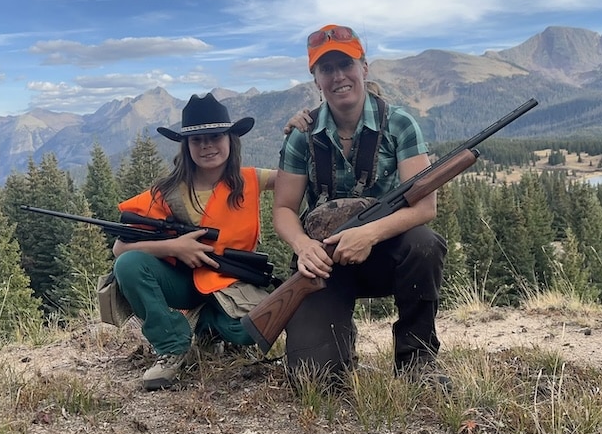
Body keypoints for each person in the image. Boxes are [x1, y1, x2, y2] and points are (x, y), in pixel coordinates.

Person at [272, 24, 448, 387]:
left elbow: (425, 207)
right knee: (313, 379)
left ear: (364, 68)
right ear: (316, 79)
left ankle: (417, 361)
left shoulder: (400, 124)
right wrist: (303, 247)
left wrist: (367, 234)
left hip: (386, 255)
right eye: (326, 68)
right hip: (322, 264)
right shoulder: (301, 136)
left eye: (346, 64)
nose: (338, 76)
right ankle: (338, 340)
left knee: (424, 244)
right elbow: (284, 209)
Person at [114, 93, 277, 391]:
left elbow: (298, 177)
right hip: (184, 282)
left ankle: (207, 328)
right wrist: (175, 248)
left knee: (246, 334)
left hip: (232, 284)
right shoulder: (167, 191)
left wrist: (299, 133)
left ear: (231, 139)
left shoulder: (253, 179)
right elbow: (120, 249)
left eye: (215, 137)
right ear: (186, 146)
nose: (207, 146)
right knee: (128, 265)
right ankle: (171, 346)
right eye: (197, 140)